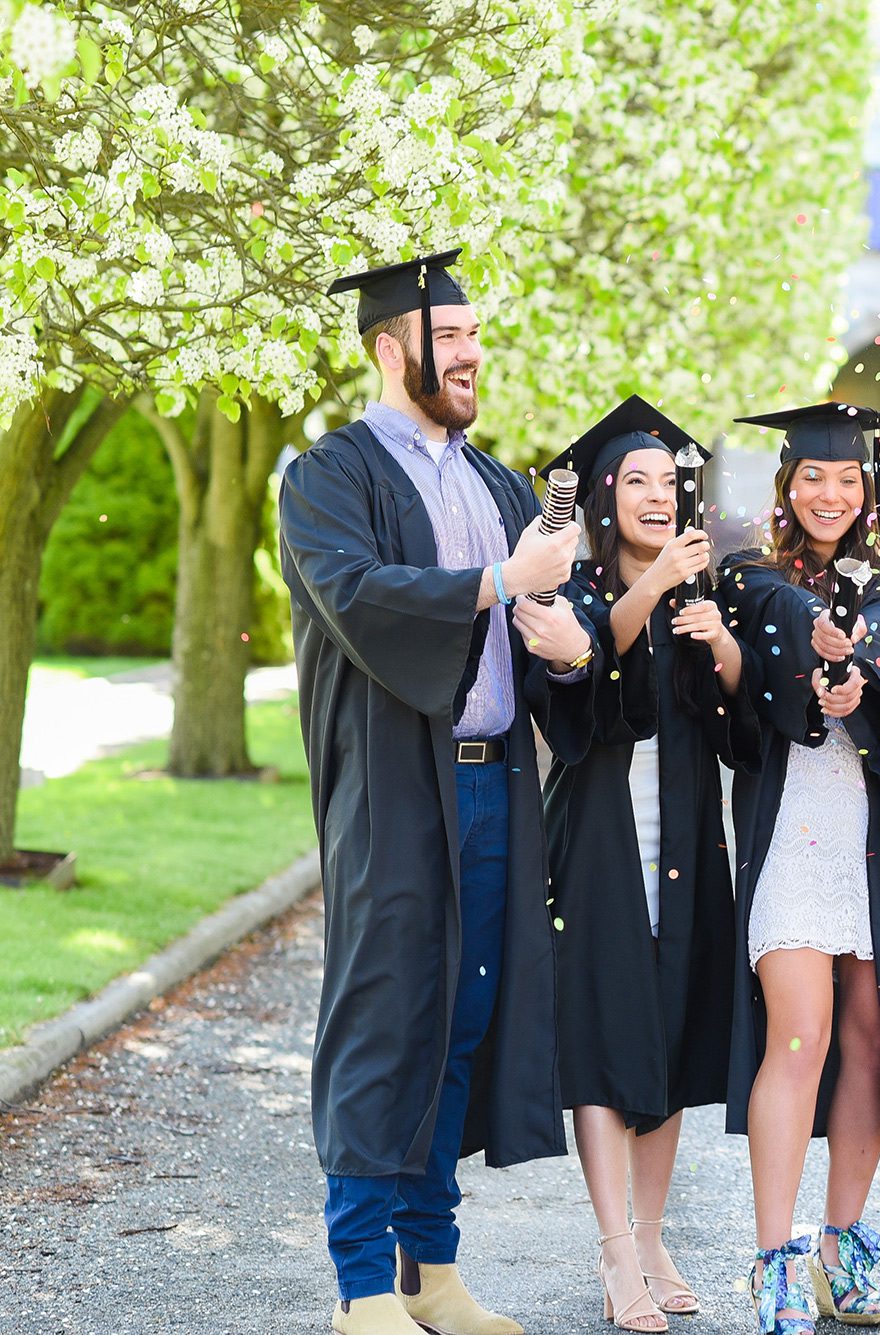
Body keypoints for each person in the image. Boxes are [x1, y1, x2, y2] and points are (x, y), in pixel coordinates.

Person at [280, 249, 596, 1335]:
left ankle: (432, 1274)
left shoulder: (501, 483)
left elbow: (547, 634)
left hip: (496, 790)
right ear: (388, 346)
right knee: (385, 1021)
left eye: (472, 337)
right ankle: (361, 1284)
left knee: (463, 1022)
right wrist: (504, 582)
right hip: (394, 793)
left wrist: (566, 646)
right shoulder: (331, 475)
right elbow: (359, 597)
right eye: (448, 338)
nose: (469, 356)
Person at [715, 401, 880, 1335]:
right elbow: (753, 669)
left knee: (871, 1039)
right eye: (813, 476)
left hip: (876, 834)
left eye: (848, 478)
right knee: (800, 1036)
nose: (830, 493)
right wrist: (813, 647)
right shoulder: (750, 578)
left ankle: (838, 1257)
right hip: (794, 835)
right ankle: (774, 1263)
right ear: (786, 483)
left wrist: (863, 685)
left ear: (871, 487)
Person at [536, 396, 756, 1330]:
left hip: (688, 833)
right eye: (637, 481)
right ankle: (616, 1247)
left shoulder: (704, 597)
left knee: (666, 1026)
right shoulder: (575, 589)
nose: (657, 495)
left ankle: (656, 1231)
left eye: (669, 481)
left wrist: (727, 646)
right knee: (600, 1030)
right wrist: (654, 581)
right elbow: (579, 689)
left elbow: (744, 726)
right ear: (604, 497)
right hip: (599, 835)